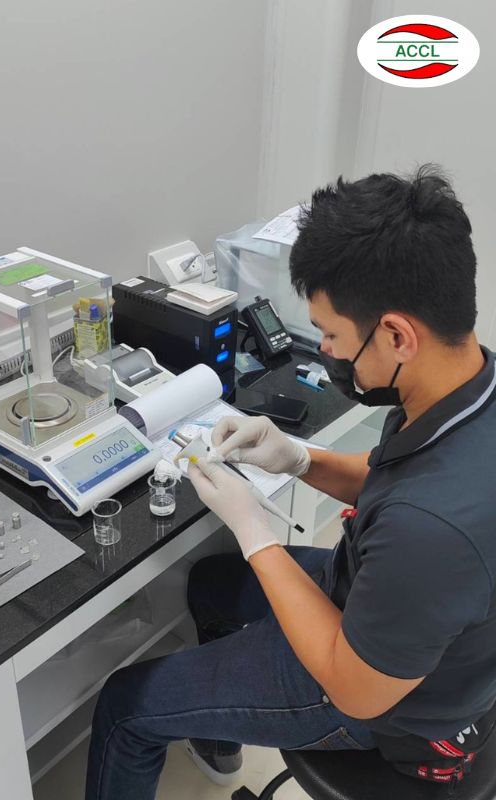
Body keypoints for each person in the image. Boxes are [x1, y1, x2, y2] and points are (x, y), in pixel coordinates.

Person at [85, 165, 496, 799]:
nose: (324, 350)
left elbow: (354, 689)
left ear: (397, 335)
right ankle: (218, 740)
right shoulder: (465, 390)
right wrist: (300, 459)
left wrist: (255, 534)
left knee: (125, 706)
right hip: (388, 608)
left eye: (331, 335)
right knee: (212, 584)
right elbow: (393, 480)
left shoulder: (430, 532)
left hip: (381, 705)